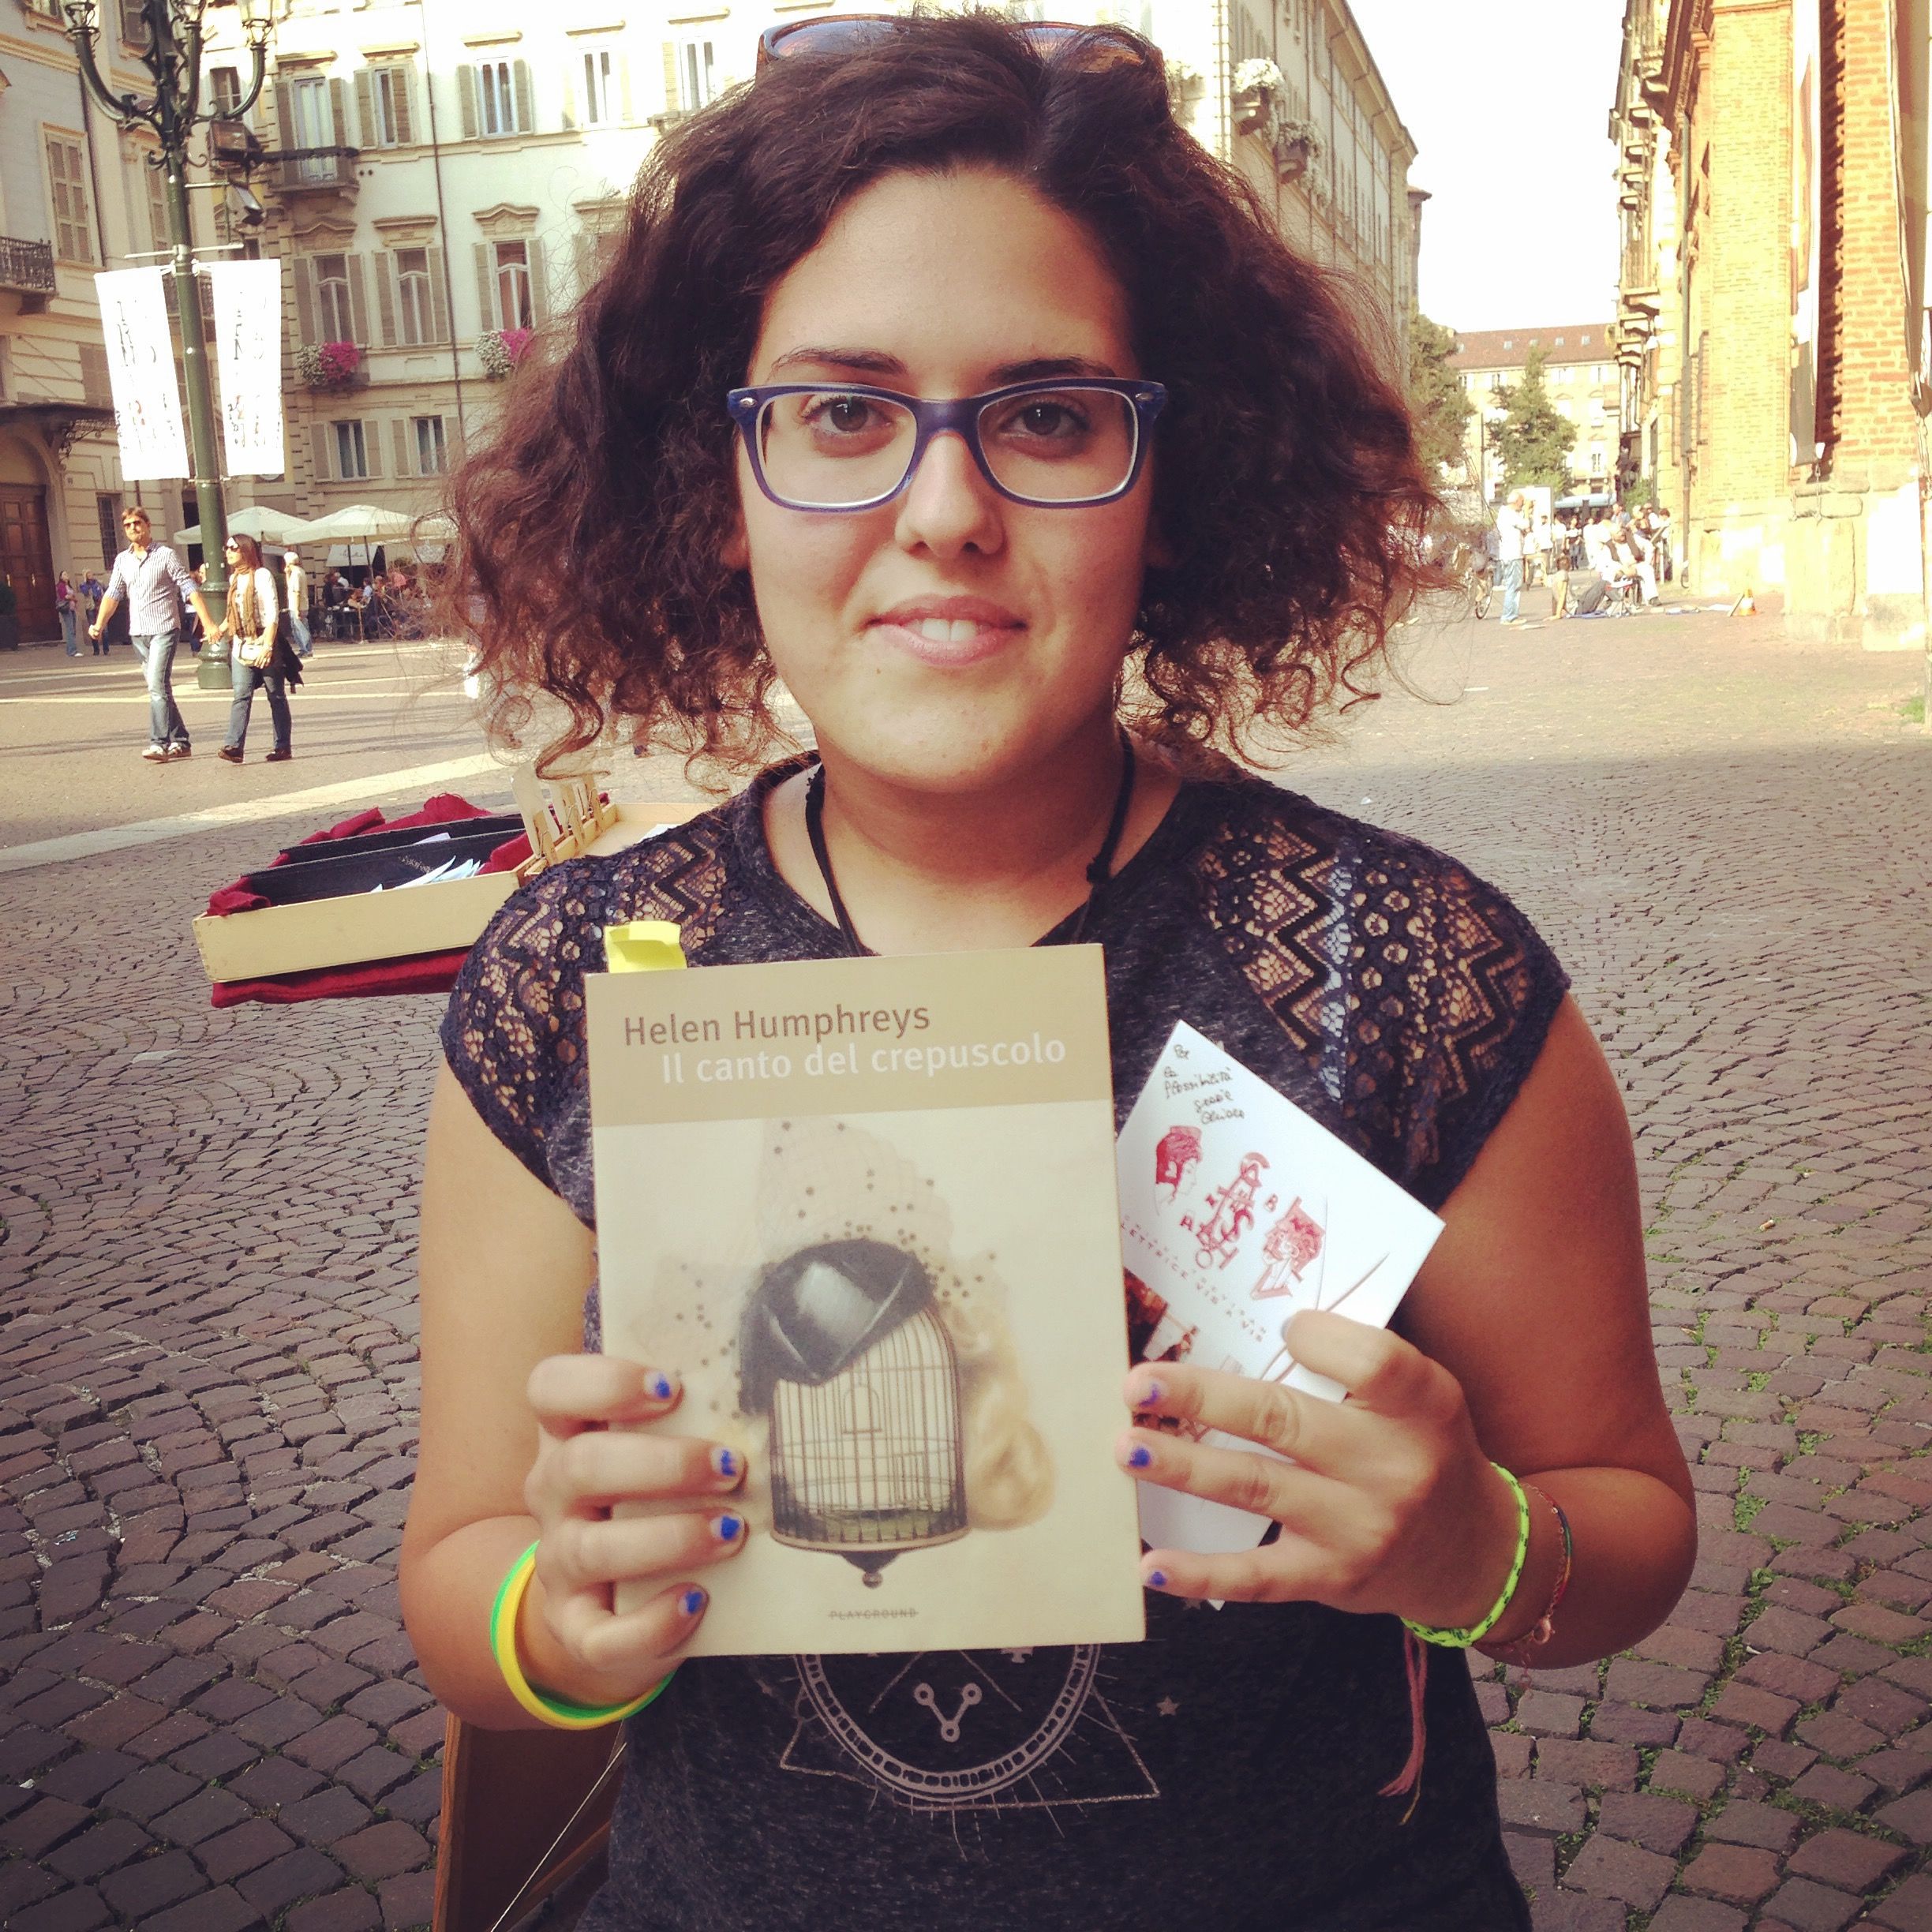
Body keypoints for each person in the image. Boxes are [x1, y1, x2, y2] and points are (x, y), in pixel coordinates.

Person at [400, 19, 1695, 1931]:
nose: (942, 509)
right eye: (841, 414)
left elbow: (1628, 1529)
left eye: (1048, 415)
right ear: (718, 480)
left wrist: (1472, 1547)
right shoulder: (572, 981)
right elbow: (459, 1572)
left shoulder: (1411, 975)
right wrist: (559, 1621)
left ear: (1174, 477)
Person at [91, 505, 220, 762]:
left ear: (148, 525)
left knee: (156, 687)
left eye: (137, 523)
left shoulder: (166, 555)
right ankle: (181, 740)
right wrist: (99, 624)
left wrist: (209, 623)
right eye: (128, 525)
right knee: (160, 687)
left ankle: (159, 743)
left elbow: (189, 588)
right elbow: (113, 594)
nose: (133, 529)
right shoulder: (122, 560)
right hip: (138, 632)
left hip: (164, 628)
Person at [217, 533, 299, 763]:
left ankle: (282, 746)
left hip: (264, 639)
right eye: (226, 548)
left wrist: (268, 647)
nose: (228, 552)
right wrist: (218, 631)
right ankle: (234, 747)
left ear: (246, 550)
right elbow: (233, 615)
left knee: (276, 695)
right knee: (241, 695)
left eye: (233, 548)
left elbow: (272, 614)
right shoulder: (234, 579)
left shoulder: (262, 575)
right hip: (242, 644)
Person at [1493, 489, 1526, 623]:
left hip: (1507, 554)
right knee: (1514, 586)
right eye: (1522, 502)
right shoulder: (1510, 514)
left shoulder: (1503, 514)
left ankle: (1511, 615)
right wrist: (1527, 511)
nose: (1523, 505)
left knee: (1512, 586)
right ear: (1517, 501)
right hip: (1513, 554)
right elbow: (1525, 524)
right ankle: (1509, 616)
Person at [284, 552, 313, 657]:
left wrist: (296, 609)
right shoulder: (300, 572)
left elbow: (296, 592)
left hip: (297, 606)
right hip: (301, 604)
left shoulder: (296, 574)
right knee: (299, 628)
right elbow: (291, 587)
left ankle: (306, 650)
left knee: (300, 628)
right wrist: (287, 574)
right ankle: (305, 649)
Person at [56, 572, 78, 657]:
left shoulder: (69, 586)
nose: (66, 576)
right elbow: (65, 596)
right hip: (66, 609)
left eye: (67, 574)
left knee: (73, 629)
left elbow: (71, 596)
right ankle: (72, 651)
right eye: (64, 574)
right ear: (61, 577)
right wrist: (72, 598)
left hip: (72, 608)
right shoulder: (60, 586)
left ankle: (70, 650)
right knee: (70, 629)